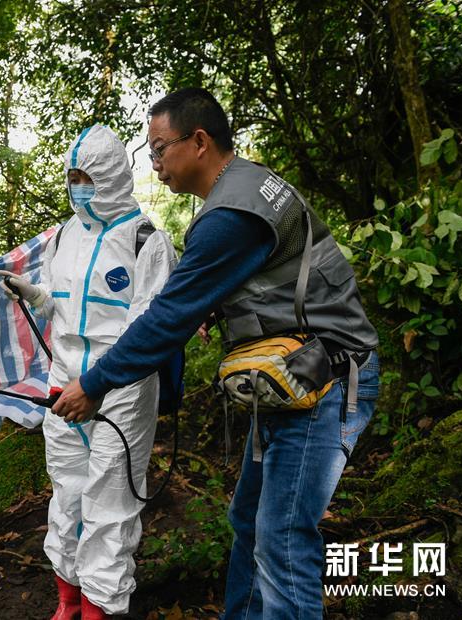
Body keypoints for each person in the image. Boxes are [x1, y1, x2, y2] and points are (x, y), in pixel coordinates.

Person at [51, 88, 380, 619]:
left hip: (324, 381)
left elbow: (165, 319)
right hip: (293, 374)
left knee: (281, 538)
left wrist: (95, 383)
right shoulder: (247, 186)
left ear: (198, 142)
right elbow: (249, 281)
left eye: (159, 149)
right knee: (249, 521)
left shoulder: (230, 215)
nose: (154, 164)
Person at [0, 124, 178, 619]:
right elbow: (60, 303)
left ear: (113, 177)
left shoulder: (146, 241)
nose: (78, 186)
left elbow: (150, 326)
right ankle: (68, 600)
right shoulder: (64, 237)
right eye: (72, 177)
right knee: (68, 493)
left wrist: (100, 383)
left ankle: (101, 608)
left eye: (87, 176)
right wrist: (30, 293)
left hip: (121, 388)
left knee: (110, 499)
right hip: (61, 379)